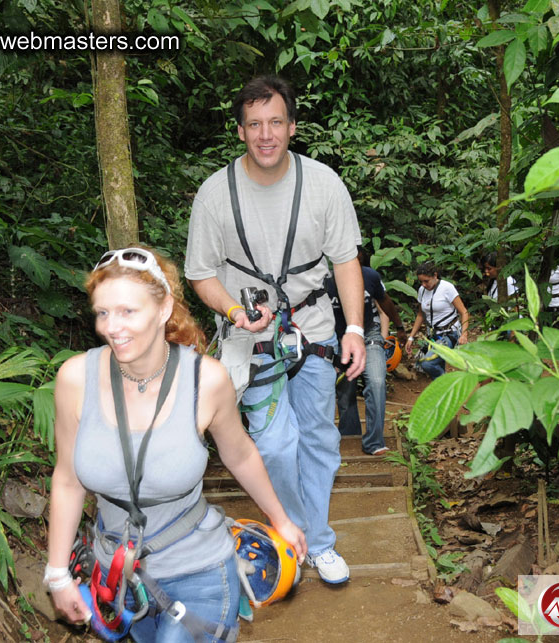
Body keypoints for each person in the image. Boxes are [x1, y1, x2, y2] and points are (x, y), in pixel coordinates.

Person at [45, 246, 307, 642]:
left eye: (128, 311)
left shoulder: (207, 380)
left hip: (200, 574)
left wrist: (281, 519)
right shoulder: (75, 379)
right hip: (121, 578)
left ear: (164, 307)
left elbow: (240, 455)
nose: (112, 327)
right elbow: (67, 480)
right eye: (103, 312)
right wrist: (57, 574)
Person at [185, 75, 365, 585]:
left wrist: (354, 328)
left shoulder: (323, 184)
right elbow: (200, 273)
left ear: (293, 127)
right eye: (255, 124)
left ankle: (317, 542)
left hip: (315, 332)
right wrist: (234, 312)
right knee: (274, 445)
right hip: (250, 338)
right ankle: (296, 532)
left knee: (320, 439)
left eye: (276, 122)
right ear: (240, 131)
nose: (266, 134)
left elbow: (346, 260)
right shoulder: (215, 194)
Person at [324, 246, 407, 456]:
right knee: (345, 391)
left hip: (369, 334)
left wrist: (399, 327)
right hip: (339, 338)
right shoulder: (326, 281)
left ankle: (374, 441)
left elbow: (385, 301)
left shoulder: (369, 276)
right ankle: (349, 437)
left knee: (377, 382)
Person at [405, 261, 470, 379]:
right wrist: (411, 337)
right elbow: (420, 315)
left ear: (435, 275)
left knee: (428, 363)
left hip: (449, 333)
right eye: (421, 282)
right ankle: (444, 385)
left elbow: (464, 312)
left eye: (426, 281)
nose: (424, 284)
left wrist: (464, 335)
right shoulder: (422, 290)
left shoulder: (447, 288)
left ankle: (447, 382)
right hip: (433, 335)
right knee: (435, 363)